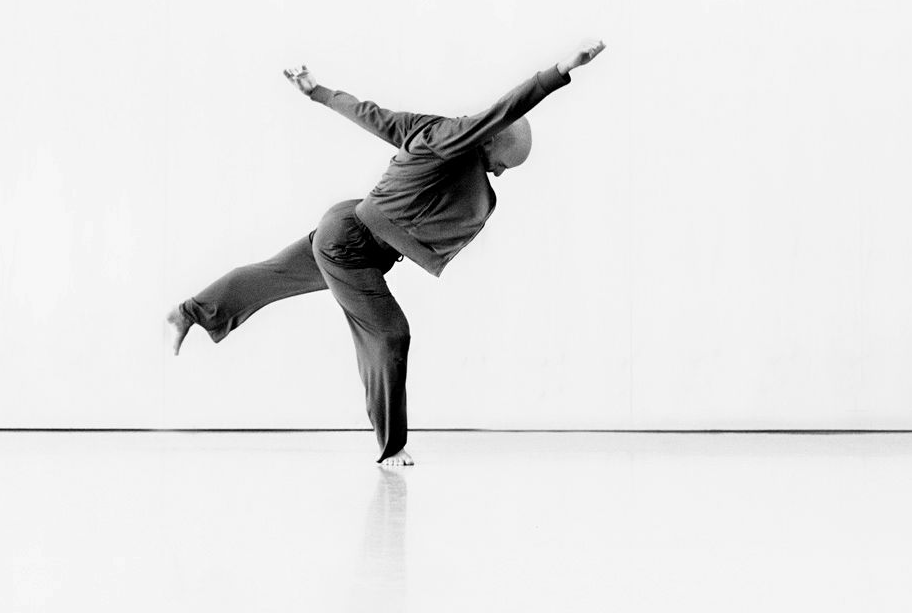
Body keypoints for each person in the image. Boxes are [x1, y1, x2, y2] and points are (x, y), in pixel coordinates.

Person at [166, 39, 607, 466]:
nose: (500, 173)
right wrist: (561, 70)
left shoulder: (428, 130)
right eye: (504, 164)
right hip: (350, 246)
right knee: (390, 333)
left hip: (349, 228)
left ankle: (188, 312)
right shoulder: (456, 138)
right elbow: (507, 108)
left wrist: (318, 92)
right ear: (489, 139)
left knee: (274, 275)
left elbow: (370, 115)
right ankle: (391, 446)